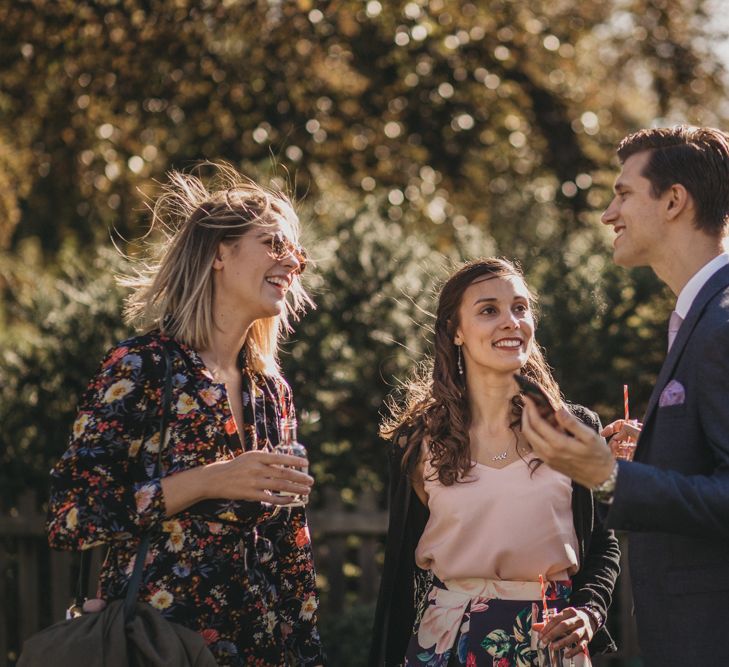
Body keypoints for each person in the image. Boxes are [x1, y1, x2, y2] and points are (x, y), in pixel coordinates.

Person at [46, 165, 325, 666]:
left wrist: (305, 652)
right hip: (159, 643)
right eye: (274, 244)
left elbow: (291, 544)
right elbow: (73, 516)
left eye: (297, 253)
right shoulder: (142, 367)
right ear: (219, 252)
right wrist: (210, 480)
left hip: (260, 648)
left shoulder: (272, 390)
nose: (292, 263)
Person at [520, 126, 729, 666]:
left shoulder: (723, 321)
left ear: (675, 200)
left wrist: (609, 477)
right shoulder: (697, 315)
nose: (609, 214)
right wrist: (655, 456)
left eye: (623, 193)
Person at [369, 258, 620, 666]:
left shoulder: (572, 429)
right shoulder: (417, 442)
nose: (510, 321)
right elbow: (400, 576)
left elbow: (602, 541)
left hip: (549, 642)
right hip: (446, 643)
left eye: (520, 308)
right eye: (489, 310)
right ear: (455, 331)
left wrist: (589, 611)